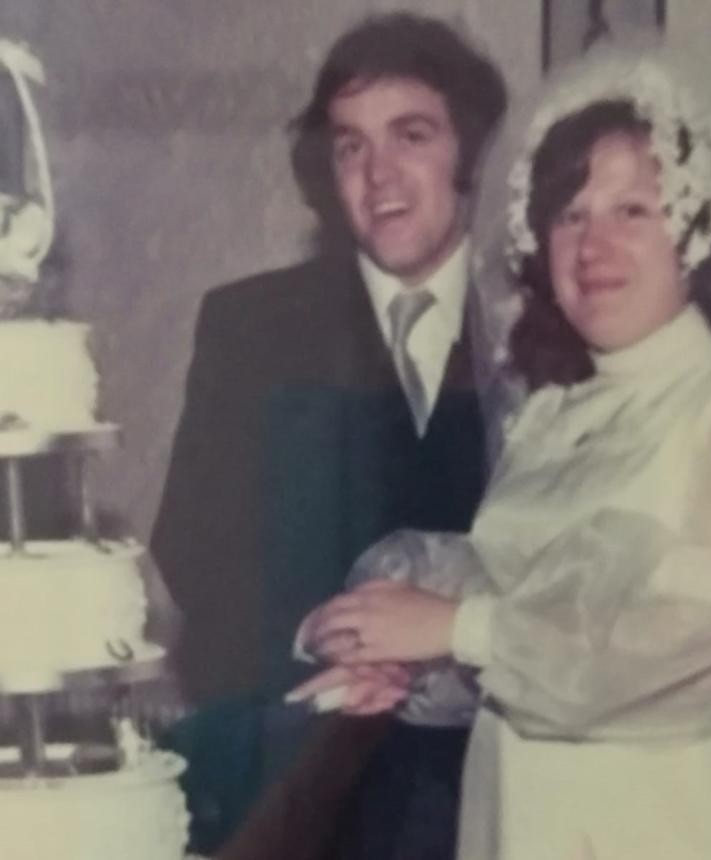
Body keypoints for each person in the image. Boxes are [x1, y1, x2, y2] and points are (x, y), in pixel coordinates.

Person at [293, 42, 711, 859]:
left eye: (634, 211)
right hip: (534, 806)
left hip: (690, 812)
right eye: (570, 215)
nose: (593, 246)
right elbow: (542, 622)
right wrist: (410, 657)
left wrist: (458, 629)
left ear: (700, 230)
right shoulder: (552, 412)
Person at [150, 12, 506, 858]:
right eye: (350, 147)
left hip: (511, 773)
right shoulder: (251, 323)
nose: (378, 174)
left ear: (472, 153)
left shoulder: (551, 321)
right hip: (316, 783)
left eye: (410, 135)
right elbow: (194, 545)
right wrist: (317, 638)